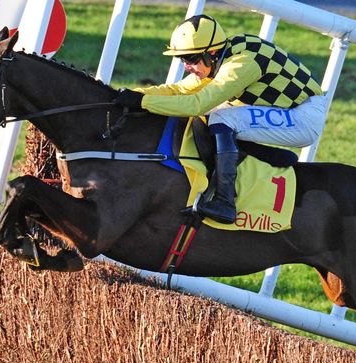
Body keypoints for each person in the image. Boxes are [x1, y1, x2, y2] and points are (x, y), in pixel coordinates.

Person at [115, 14, 326, 224]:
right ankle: (266, 155)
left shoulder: (241, 64)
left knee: (220, 117)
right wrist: (131, 94)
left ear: (212, 52)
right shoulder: (223, 57)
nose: (187, 66)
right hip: (290, 110)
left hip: (304, 117)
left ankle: (225, 202)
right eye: (182, 60)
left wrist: (143, 103)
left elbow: (197, 104)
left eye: (191, 59)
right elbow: (178, 90)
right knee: (212, 117)